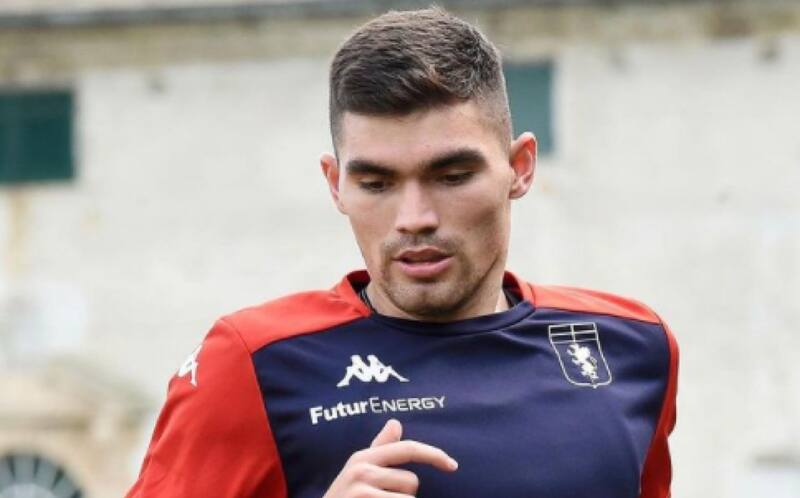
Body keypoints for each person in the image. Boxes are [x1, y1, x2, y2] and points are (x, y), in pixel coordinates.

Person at [126, 7, 678, 498]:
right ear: (336, 185)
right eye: (377, 184)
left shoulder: (631, 345)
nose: (414, 217)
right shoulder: (253, 362)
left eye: (452, 176)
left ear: (520, 167)